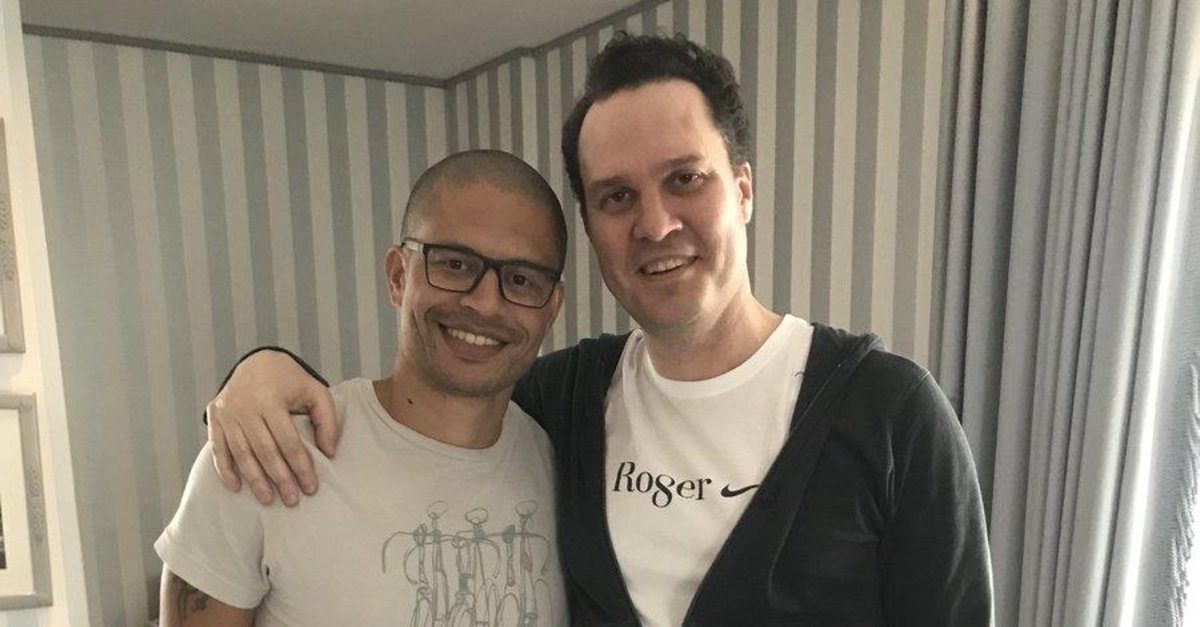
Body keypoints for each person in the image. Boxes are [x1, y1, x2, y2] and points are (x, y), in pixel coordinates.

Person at [205, 34, 994, 625]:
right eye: (617, 196)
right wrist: (261, 368)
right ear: (591, 228)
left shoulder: (891, 414)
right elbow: (430, 402)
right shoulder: (563, 401)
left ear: (743, 188)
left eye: (685, 179)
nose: (655, 224)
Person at [156, 150, 569, 626]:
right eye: (455, 264)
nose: (484, 303)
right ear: (398, 276)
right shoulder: (264, 456)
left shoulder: (566, 467)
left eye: (521, 279)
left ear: (551, 308)